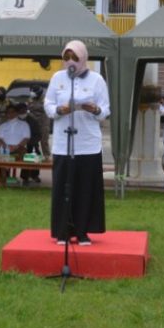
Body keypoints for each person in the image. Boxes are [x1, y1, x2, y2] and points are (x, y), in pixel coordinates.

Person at [45, 40, 109, 246]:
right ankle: (63, 231)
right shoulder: (58, 78)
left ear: (83, 58)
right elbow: (48, 104)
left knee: (85, 187)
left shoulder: (97, 79)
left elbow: (105, 110)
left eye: (74, 57)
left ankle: (82, 231)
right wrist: (59, 110)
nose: (70, 61)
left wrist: (94, 109)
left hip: (87, 143)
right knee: (64, 187)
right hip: (64, 142)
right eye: (66, 57)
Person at [0, 104, 30, 185]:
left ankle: (25, 179)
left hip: (19, 147)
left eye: (12, 112)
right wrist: (6, 147)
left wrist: (16, 146)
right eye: (8, 113)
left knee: (27, 157)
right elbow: (0, 139)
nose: (10, 114)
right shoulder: (3, 126)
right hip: (4, 147)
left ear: (17, 113)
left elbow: (26, 138)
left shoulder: (24, 124)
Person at [16, 102, 42, 185]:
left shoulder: (32, 121)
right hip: (14, 144)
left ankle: (29, 176)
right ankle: (1, 176)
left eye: (23, 111)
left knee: (32, 152)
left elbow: (38, 135)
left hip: (29, 144)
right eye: (20, 111)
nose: (21, 113)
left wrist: (28, 142)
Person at [28, 84, 51, 162]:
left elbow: (45, 110)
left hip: (43, 122)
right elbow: (29, 108)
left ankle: (46, 156)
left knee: (44, 140)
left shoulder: (45, 99)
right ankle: (36, 154)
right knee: (33, 140)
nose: (32, 95)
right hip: (34, 123)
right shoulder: (31, 98)